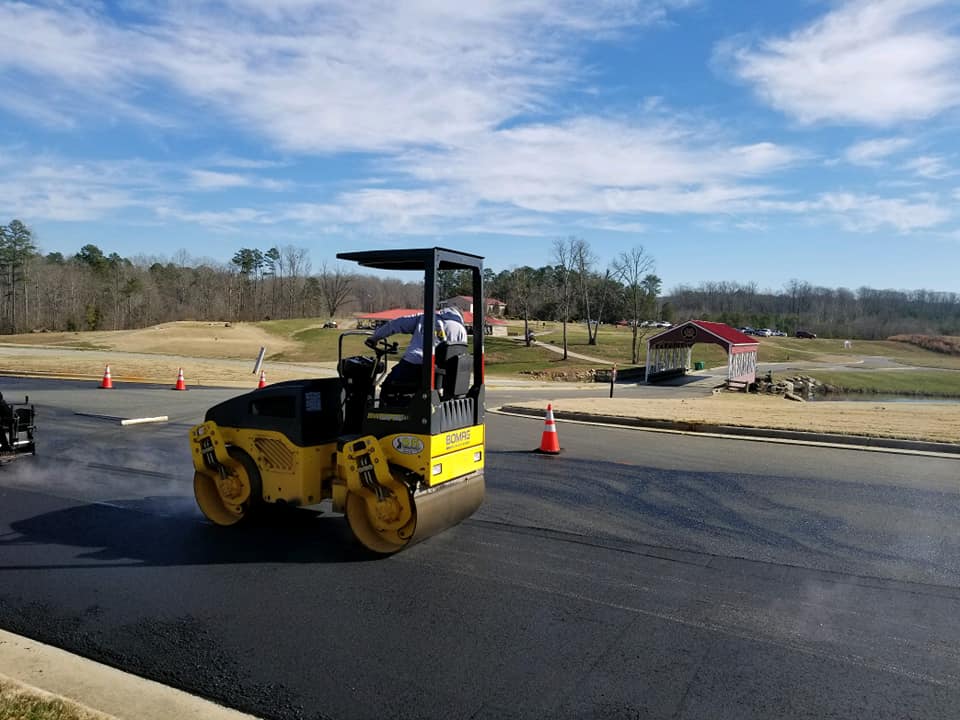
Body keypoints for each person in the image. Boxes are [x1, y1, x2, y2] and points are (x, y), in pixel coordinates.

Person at [367, 307, 467, 394]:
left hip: (412, 365)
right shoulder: (461, 330)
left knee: (386, 387)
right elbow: (460, 355)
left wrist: (375, 338)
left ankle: (382, 412)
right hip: (440, 374)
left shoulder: (425, 318)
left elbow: (396, 324)